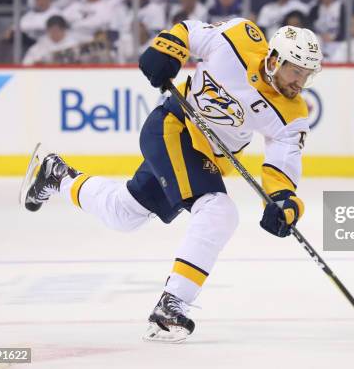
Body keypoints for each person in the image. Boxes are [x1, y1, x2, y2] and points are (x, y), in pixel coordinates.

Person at [21, 17, 323, 342]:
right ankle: (172, 305)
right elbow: (191, 32)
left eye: (307, 75)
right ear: (275, 60)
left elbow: (282, 163)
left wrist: (284, 202)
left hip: (202, 157)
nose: (300, 82)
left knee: (123, 213)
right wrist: (169, 49)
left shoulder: (293, 113)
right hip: (173, 128)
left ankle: (56, 175)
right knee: (219, 211)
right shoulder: (239, 39)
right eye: (296, 71)